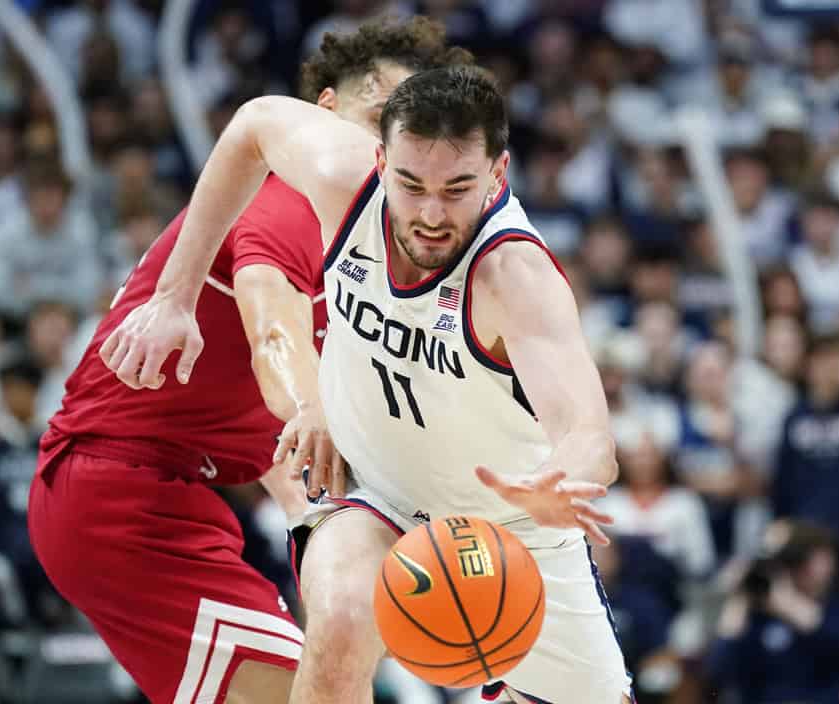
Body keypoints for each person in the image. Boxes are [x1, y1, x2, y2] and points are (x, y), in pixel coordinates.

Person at [100, 65, 632, 703]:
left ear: (498, 173)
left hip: (511, 527)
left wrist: (560, 481)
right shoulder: (341, 178)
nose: (431, 213)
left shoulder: (515, 278)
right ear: (380, 160)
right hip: (376, 494)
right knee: (347, 612)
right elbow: (253, 125)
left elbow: (588, 432)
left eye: (457, 188)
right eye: (411, 184)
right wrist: (175, 295)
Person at [26, 18, 471, 704]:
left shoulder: (358, 247)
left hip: (157, 492)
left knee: (329, 684)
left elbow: (245, 408)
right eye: (381, 116)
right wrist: (308, 411)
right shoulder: (294, 196)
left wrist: (312, 509)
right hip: (120, 496)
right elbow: (273, 333)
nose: (391, 141)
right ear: (325, 113)